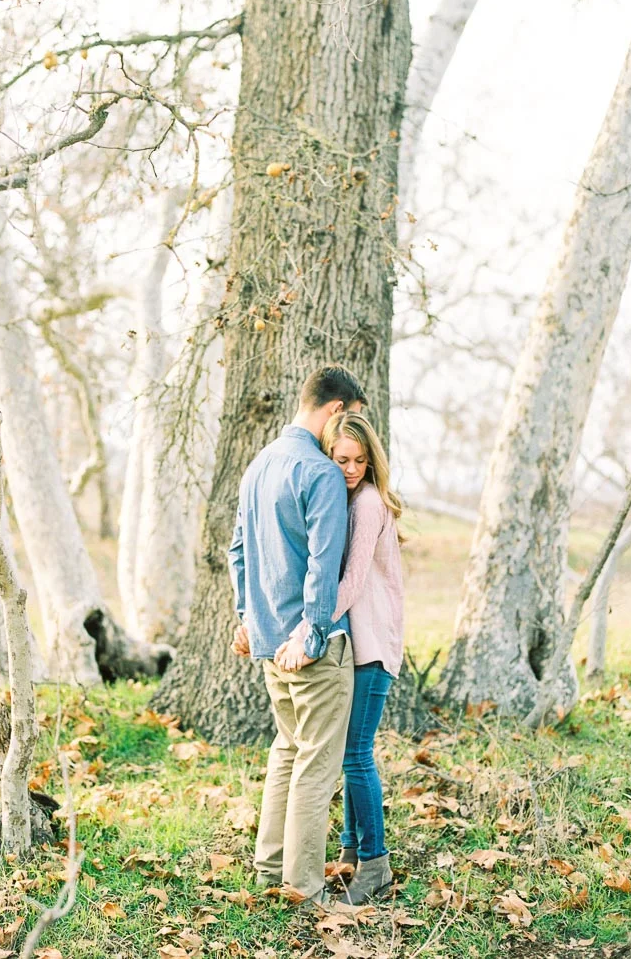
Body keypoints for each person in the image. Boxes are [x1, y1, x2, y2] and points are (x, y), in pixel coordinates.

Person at [229, 364, 367, 906]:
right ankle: (305, 889)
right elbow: (321, 566)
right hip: (313, 647)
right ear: (336, 410)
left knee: (286, 752)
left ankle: (269, 870)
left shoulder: (259, 465)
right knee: (315, 765)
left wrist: (248, 617)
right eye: (349, 419)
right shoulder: (321, 473)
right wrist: (312, 636)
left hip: (269, 643)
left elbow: (238, 551)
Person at [276, 411, 404, 905]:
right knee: (350, 751)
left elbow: (350, 582)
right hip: (359, 643)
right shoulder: (345, 499)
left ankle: (376, 863)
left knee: (356, 754)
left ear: (371, 462)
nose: (350, 468)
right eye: (341, 459)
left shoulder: (367, 502)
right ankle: (351, 850)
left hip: (373, 645)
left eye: (359, 460)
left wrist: (307, 629)